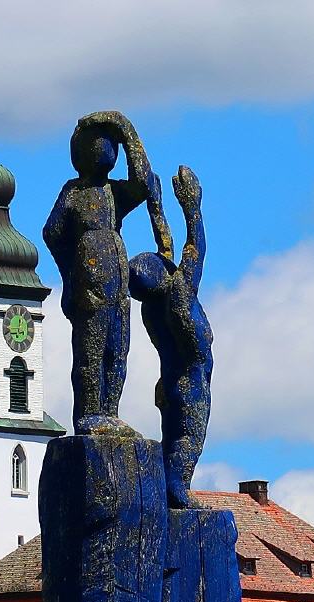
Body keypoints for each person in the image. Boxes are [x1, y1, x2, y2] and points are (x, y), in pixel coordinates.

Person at [43, 111, 172, 432]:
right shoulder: (74, 192)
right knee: (91, 350)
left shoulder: (114, 193)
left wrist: (128, 133)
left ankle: (109, 412)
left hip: (118, 282)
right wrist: (71, 277)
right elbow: (52, 234)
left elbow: (144, 184)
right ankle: (89, 413)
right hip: (90, 282)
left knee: (117, 349)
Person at [128, 166, 213, 508]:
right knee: (188, 441)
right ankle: (178, 490)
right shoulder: (179, 299)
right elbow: (195, 252)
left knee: (171, 442)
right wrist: (193, 209)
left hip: (169, 383)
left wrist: (156, 203)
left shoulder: (152, 306)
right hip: (191, 384)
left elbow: (166, 249)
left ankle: (168, 489)